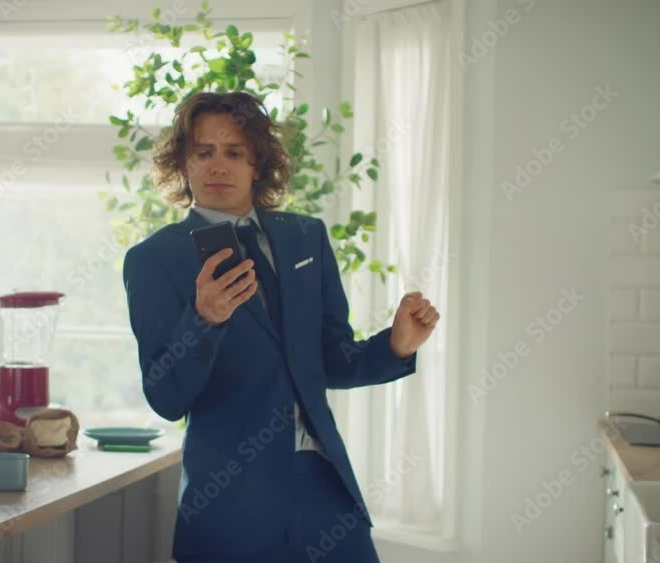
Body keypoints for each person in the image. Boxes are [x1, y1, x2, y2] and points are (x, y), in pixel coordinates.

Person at [123, 91, 440, 563]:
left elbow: (330, 359)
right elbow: (165, 398)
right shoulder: (153, 259)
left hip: (325, 489)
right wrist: (204, 320)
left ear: (258, 164)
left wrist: (395, 346)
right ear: (184, 164)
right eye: (204, 152)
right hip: (229, 502)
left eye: (235, 152)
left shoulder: (305, 237)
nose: (218, 165)